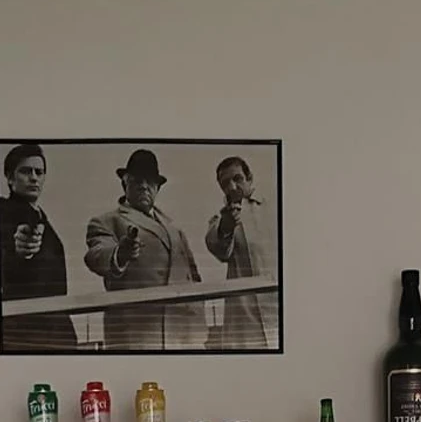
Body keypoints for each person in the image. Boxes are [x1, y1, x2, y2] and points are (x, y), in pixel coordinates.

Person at [83, 148, 205, 352]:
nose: (144, 186)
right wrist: (120, 253)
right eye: (137, 180)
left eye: (150, 181)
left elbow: (194, 275)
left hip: (184, 333)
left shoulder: (174, 228)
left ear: (157, 188)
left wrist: (199, 318)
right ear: (125, 183)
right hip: (138, 333)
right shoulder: (107, 221)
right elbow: (96, 255)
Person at [0, 142, 74, 352]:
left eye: (39, 172)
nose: (34, 177)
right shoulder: (1, 212)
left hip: (56, 332)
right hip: (25, 332)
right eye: (25, 171)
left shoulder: (41, 217)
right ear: (9, 177)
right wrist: (20, 251)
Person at [204, 155, 277, 351]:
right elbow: (219, 249)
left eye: (237, 179)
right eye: (225, 183)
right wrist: (226, 227)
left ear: (250, 178)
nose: (232, 187)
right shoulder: (220, 218)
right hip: (245, 315)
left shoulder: (274, 207)